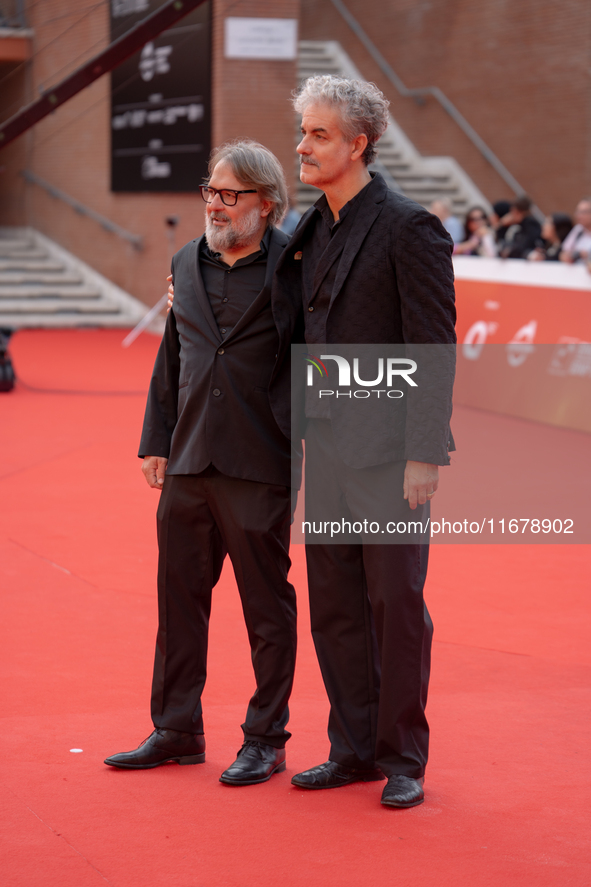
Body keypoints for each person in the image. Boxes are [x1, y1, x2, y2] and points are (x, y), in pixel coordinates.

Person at [273, 75, 456, 808]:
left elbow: (432, 345)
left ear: (358, 142)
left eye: (318, 134)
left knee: (395, 603)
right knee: (337, 604)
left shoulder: (408, 226)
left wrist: (424, 453)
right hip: (328, 447)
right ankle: (349, 749)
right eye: (302, 133)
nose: (302, 146)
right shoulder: (313, 227)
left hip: (389, 455)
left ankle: (402, 755)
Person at [104, 141, 303, 786]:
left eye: (229, 194)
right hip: (188, 459)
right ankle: (177, 727)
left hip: (260, 459)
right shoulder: (185, 262)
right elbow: (175, 354)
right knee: (179, 600)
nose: (214, 205)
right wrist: (155, 438)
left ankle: (266, 737)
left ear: (265, 204)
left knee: (265, 609)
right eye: (209, 191)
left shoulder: (295, 268)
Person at [559, 198, 591, 263]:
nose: (579, 216)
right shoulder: (578, 230)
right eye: (578, 212)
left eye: (583, 212)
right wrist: (568, 257)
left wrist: (587, 255)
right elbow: (564, 252)